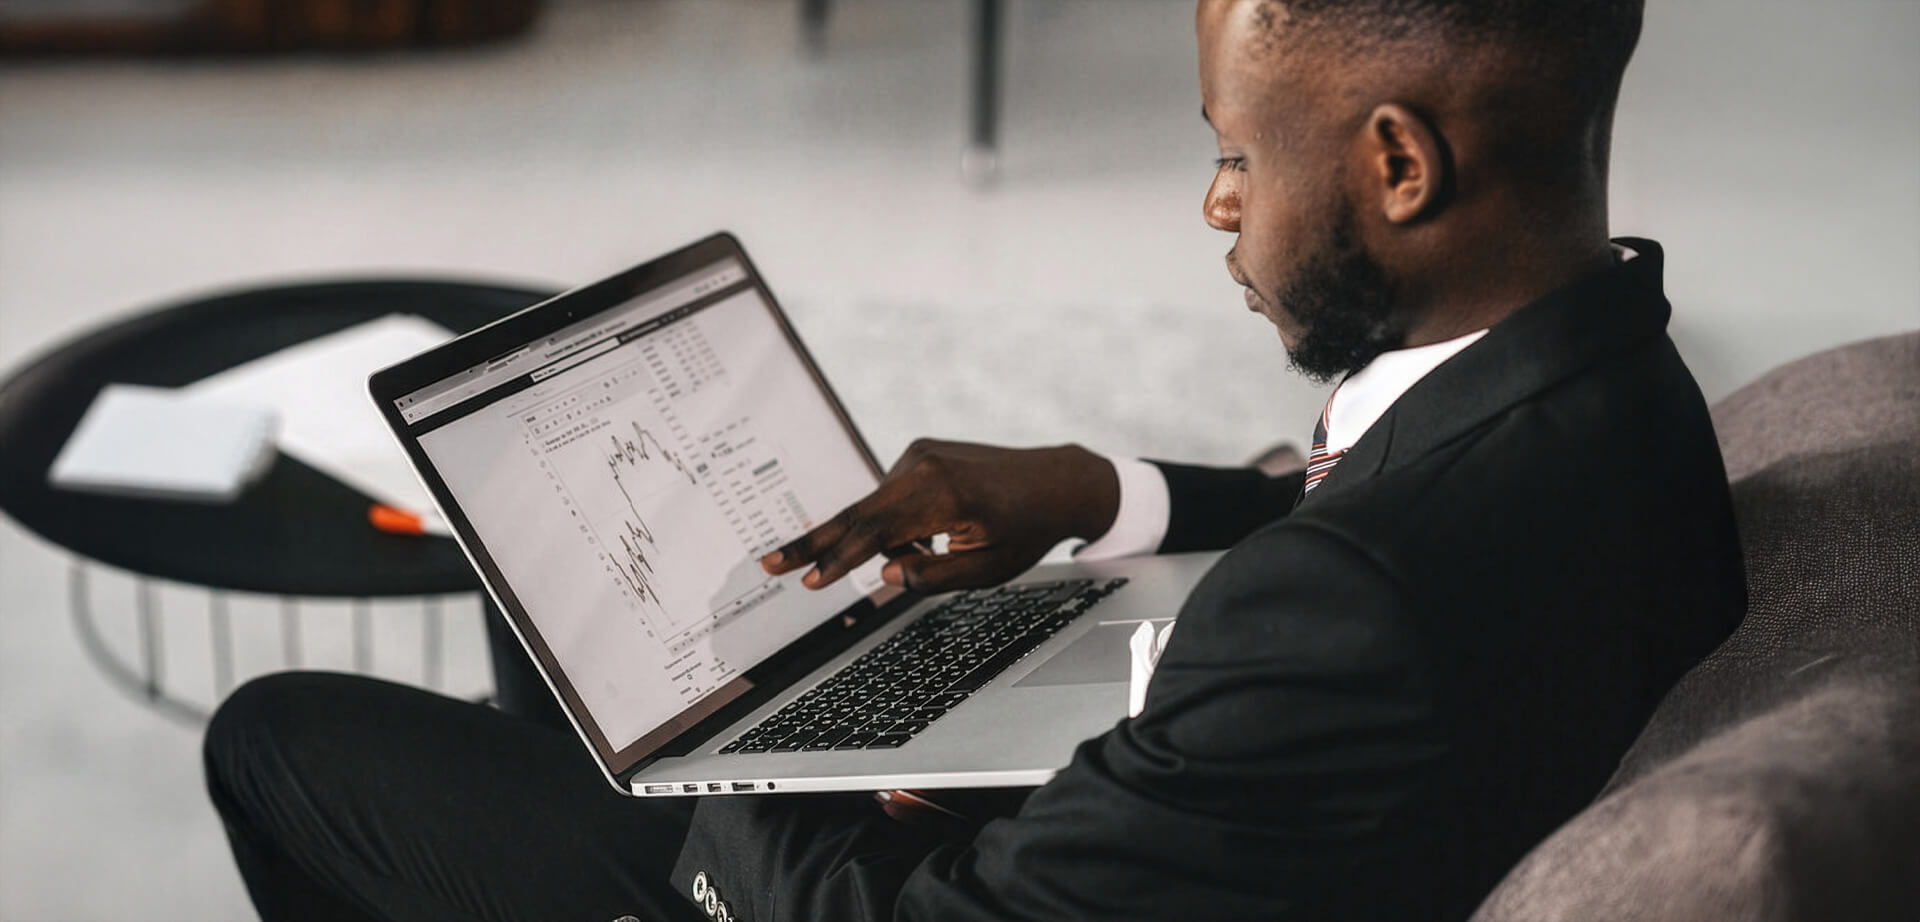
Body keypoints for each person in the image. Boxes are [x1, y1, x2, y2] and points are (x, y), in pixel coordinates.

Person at [202, 1, 1747, 919]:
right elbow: (1360, 501)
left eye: (1234, 154)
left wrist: (762, 747)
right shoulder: (1623, 385)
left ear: (1400, 164)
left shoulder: (1351, 617)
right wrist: (1100, 492)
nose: (1218, 209)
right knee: (538, 621)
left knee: (278, 735)